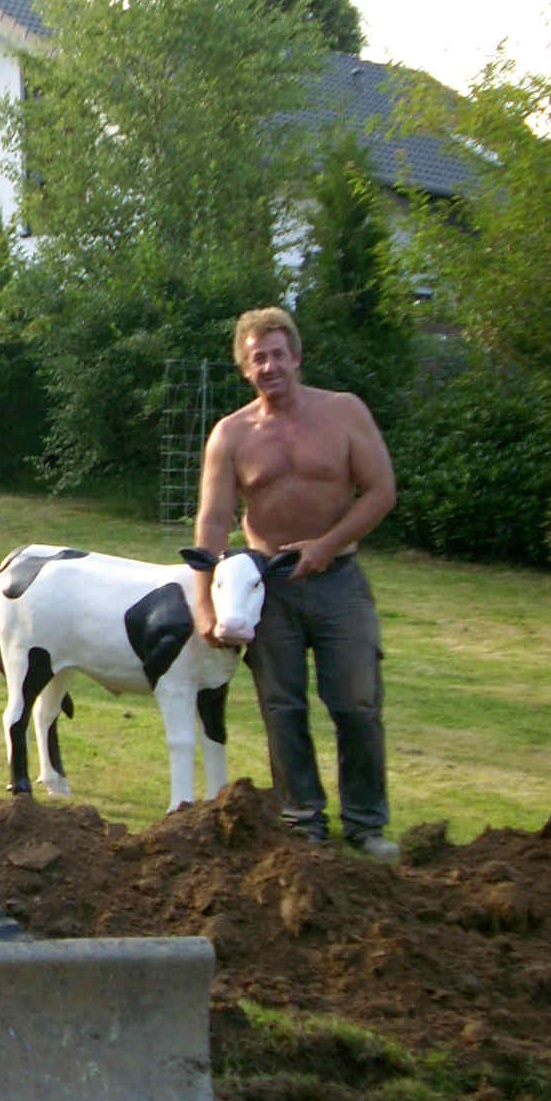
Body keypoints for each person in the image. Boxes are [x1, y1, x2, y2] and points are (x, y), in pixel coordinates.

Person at [192, 306, 399, 859]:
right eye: (257, 357)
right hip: (270, 587)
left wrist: (325, 546)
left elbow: (381, 491)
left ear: (297, 357)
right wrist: (204, 605)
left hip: (339, 582)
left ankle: (365, 824)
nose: (270, 366)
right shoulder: (231, 435)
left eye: (278, 354)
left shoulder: (344, 414)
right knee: (282, 707)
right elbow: (212, 522)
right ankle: (303, 820)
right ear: (244, 369)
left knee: (356, 702)